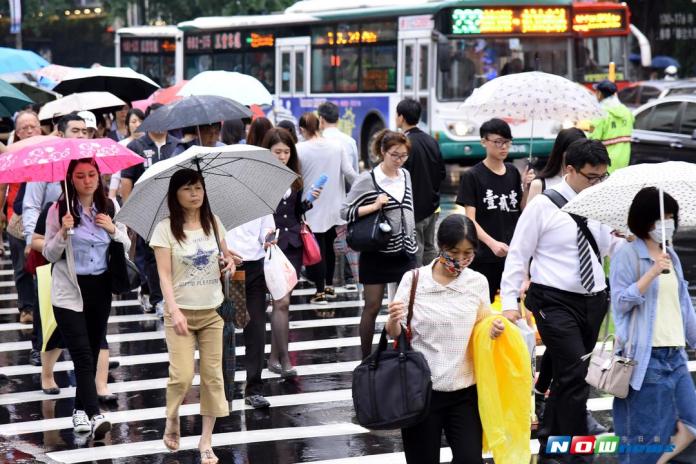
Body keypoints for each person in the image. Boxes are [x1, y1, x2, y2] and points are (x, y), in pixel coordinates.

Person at [500, 139, 622, 464]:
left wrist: (634, 241)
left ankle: (550, 444)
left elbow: (611, 248)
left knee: (568, 376)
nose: (597, 183)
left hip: (594, 300)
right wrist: (510, 300)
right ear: (569, 170)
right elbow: (518, 252)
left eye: (602, 176)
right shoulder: (543, 205)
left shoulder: (601, 203)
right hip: (553, 301)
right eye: (591, 176)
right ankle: (573, 453)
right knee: (576, 373)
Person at [386, 214, 505, 464]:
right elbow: (397, 335)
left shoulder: (477, 282)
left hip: (465, 392)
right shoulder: (414, 280)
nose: (461, 260)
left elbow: (482, 326)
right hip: (422, 393)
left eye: (468, 252)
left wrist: (493, 328)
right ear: (440, 246)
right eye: (454, 251)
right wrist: (392, 322)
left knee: (470, 460)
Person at [151, 169, 237, 464]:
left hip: (212, 311)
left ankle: (206, 442)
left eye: (198, 188)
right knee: (183, 375)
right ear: (176, 194)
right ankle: (172, 417)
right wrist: (173, 309)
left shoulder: (214, 224)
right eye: (188, 189)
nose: (195, 194)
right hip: (181, 314)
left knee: (214, 378)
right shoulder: (165, 229)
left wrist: (229, 264)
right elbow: (163, 274)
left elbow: (228, 260)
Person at [43, 158, 131, 439]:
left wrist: (113, 230)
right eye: (80, 176)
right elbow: (48, 253)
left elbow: (126, 244)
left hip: (100, 287)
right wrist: (63, 232)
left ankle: (79, 410)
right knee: (81, 352)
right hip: (69, 289)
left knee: (92, 351)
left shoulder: (110, 207)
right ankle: (94, 414)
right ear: (71, 179)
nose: (87, 180)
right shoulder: (58, 210)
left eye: (92, 174)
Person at [610, 187, 696, 464]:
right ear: (645, 220)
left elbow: (683, 304)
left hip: (676, 355)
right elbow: (621, 302)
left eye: (671, 216)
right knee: (646, 434)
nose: (667, 223)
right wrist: (652, 272)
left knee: (691, 421)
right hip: (647, 359)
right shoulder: (628, 255)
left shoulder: (671, 254)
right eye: (661, 217)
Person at [341, 129, 417, 359]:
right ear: (383, 152)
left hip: (405, 251)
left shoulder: (405, 175)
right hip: (377, 251)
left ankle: (402, 354)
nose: (399, 160)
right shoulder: (368, 179)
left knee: (404, 308)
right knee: (372, 306)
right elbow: (345, 212)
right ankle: (365, 358)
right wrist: (374, 206)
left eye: (403, 156)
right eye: (395, 155)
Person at [24, 113, 87, 370]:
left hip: (81, 250)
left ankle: (89, 350)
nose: (81, 135)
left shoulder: (89, 165)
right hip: (50, 244)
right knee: (47, 304)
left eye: (84, 131)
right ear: (60, 134)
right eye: (75, 130)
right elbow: (31, 206)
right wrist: (32, 240)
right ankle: (41, 348)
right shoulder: (47, 166)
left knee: (82, 303)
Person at [261, 128, 321, 377]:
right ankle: (285, 359)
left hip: (294, 244)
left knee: (283, 304)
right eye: (277, 152)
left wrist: (308, 201)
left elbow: (295, 213)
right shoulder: (260, 178)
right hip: (272, 245)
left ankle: (274, 358)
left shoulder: (294, 176)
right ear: (269, 152)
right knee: (281, 302)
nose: (282, 156)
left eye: (286, 152)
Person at [121, 103, 185, 316]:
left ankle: (177, 297)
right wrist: (130, 212)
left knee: (178, 253)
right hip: (146, 212)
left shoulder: (178, 147)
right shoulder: (136, 147)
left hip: (176, 211)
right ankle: (158, 299)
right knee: (152, 256)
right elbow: (126, 182)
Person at [456, 118, 526, 303]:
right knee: (483, 306)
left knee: (512, 306)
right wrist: (492, 244)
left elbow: (520, 209)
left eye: (507, 142)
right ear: (483, 142)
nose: (503, 147)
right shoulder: (473, 176)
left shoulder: (512, 172)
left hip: (511, 253)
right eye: (498, 142)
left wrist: (526, 188)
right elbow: (470, 220)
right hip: (485, 256)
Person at [298, 112, 357, 304]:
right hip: (335, 205)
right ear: (319, 125)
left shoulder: (299, 149)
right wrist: (365, 188)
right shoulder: (337, 146)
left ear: (302, 130)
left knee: (317, 249)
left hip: (312, 206)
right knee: (330, 248)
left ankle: (320, 291)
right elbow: (349, 173)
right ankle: (330, 286)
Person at [225, 215, 275, 409]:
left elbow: (267, 229)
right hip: (226, 267)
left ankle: (254, 388)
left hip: (255, 266)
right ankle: (223, 391)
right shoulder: (211, 196)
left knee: (256, 329)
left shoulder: (255, 196)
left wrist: (268, 239)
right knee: (224, 331)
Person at [2, 111, 41, 330]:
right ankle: (27, 308)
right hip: (16, 217)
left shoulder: (50, 151)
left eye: (33, 126)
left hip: (45, 217)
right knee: (21, 266)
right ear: (17, 133)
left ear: (40, 128)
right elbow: (2, 186)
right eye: (24, 128)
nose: (29, 131)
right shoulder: (11, 154)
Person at [396, 99, 446, 266]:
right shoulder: (431, 140)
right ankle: (432, 282)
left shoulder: (403, 144)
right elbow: (442, 173)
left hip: (413, 209)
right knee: (430, 248)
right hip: (433, 207)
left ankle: (416, 287)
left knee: (415, 250)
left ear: (401, 117)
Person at [526, 128, 586, 204]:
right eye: (572, 150)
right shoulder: (539, 184)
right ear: (561, 151)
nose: (576, 155)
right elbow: (532, 215)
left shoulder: (588, 183)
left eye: (580, 151)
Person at [589, 80, 634, 174]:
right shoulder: (627, 111)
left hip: (604, 163)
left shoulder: (600, 113)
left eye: (596, 92)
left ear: (599, 94)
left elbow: (592, 140)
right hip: (624, 160)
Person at [109, 108, 145, 199]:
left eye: (141, 121)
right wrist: (112, 196)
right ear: (127, 126)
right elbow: (116, 173)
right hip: (127, 191)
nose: (138, 124)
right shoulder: (121, 145)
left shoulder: (149, 143)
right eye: (133, 121)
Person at [318, 101, 358, 173]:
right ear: (338, 120)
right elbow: (355, 172)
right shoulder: (351, 141)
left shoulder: (317, 143)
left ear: (321, 120)